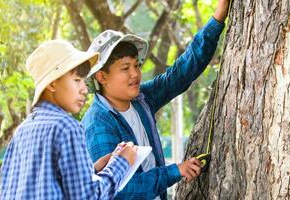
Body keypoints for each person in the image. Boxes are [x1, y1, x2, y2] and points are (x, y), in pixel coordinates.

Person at [82, 0, 230, 199]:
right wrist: (174, 171)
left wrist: (217, 19)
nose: (135, 74)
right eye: (125, 68)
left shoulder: (142, 99)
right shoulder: (98, 125)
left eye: (136, 65)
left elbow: (179, 75)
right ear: (102, 77)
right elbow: (119, 190)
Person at [0, 40, 137, 200]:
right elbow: (88, 197)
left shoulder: (22, 130)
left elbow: (44, 186)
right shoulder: (66, 127)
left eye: (84, 81)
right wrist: (122, 162)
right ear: (52, 84)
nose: (85, 89)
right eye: (77, 80)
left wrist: (92, 170)